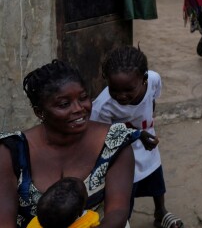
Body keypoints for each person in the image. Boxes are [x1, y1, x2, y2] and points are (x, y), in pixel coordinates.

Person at [0, 60, 139, 228]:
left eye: (83, 98)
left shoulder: (114, 142)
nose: (79, 108)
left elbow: (117, 213)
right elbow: (4, 221)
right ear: (39, 112)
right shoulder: (10, 151)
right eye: (64, 104)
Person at [90, 46, 183, 228]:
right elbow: (102, 135)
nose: (121, 96)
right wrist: (136, 135)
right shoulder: (103, 106)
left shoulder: (153, 79)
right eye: (114, 90)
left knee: (155, 176)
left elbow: (153, 98)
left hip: (148, 140)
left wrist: (147, 124)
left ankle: (160, 212)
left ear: (144, 80)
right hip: (122, 150)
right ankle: (124, 222)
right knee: (125, 190)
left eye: (128, 90)